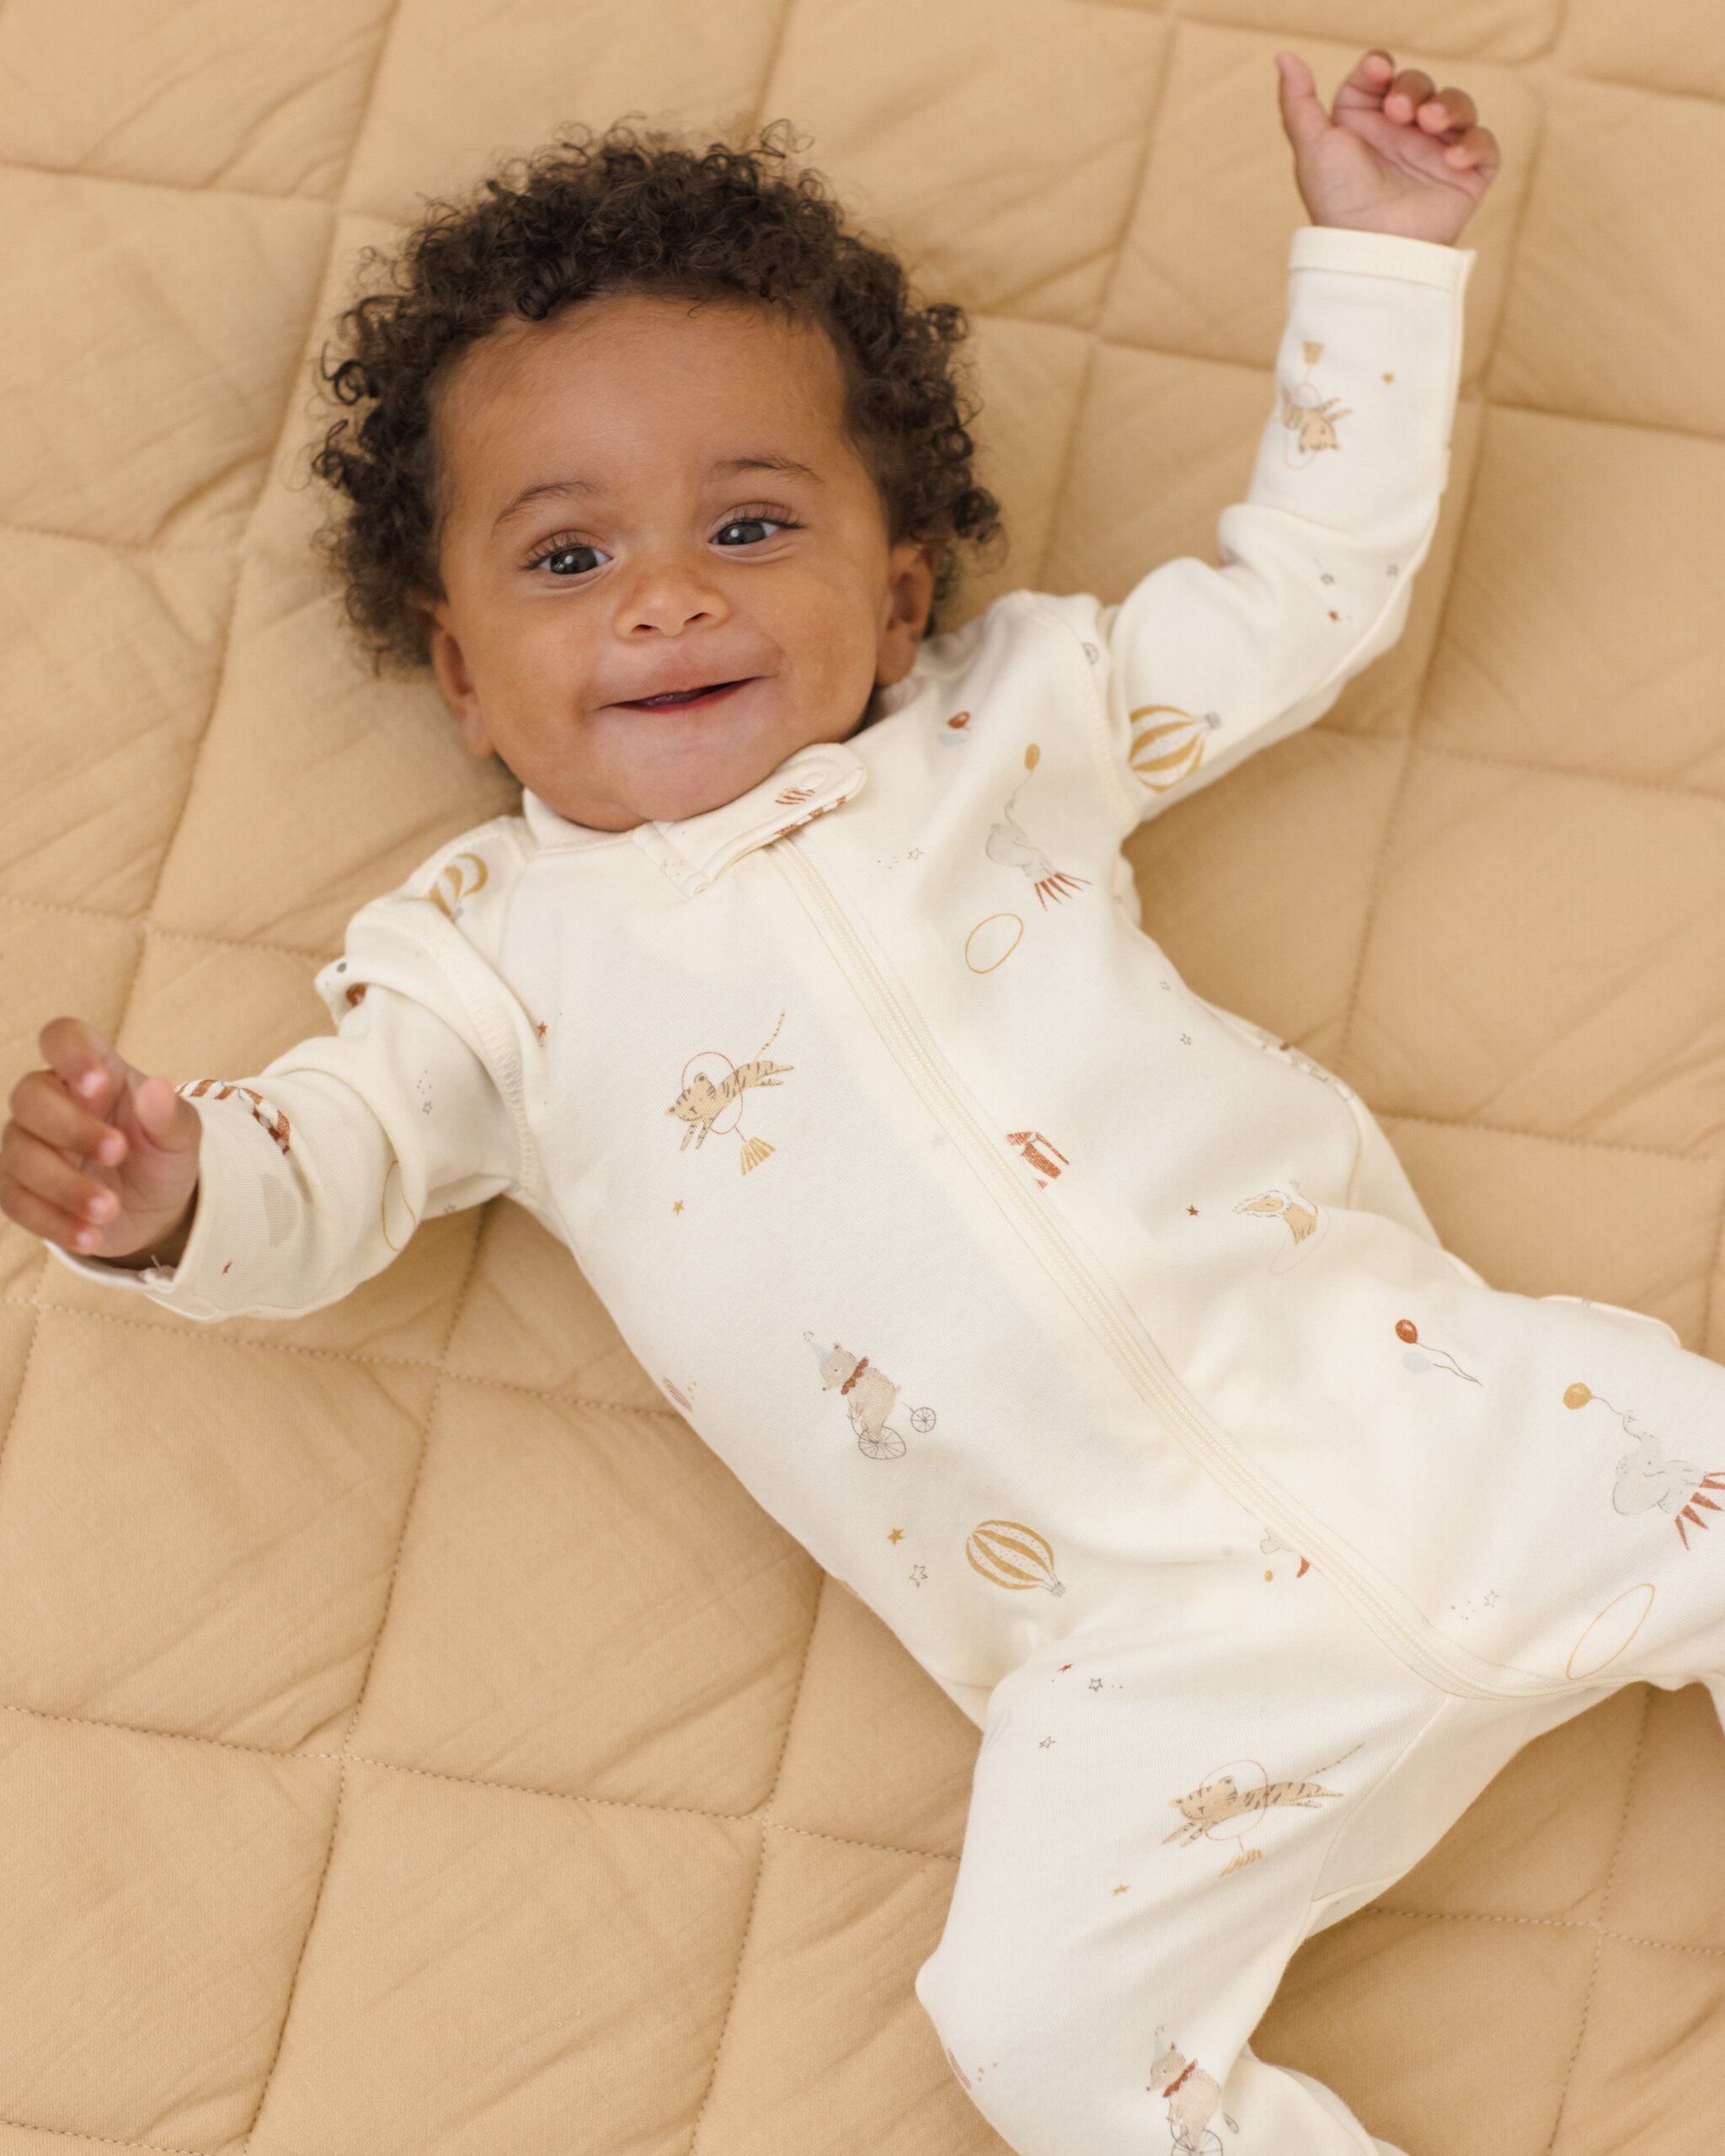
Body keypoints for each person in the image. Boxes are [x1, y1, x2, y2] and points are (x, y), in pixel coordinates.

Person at [6, 50, 1706, 2155]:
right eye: (568, 558)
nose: (667, 594)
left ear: (898, 591)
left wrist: (1376, 257)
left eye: (748, 525)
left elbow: (1304, 594)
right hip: (1136, 1659)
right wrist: (176, 1185)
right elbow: (325, 1167)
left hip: (1444, 1416)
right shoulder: (484, 962)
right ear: (459, 674)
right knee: (1029, 2028)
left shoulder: (1012, 722)